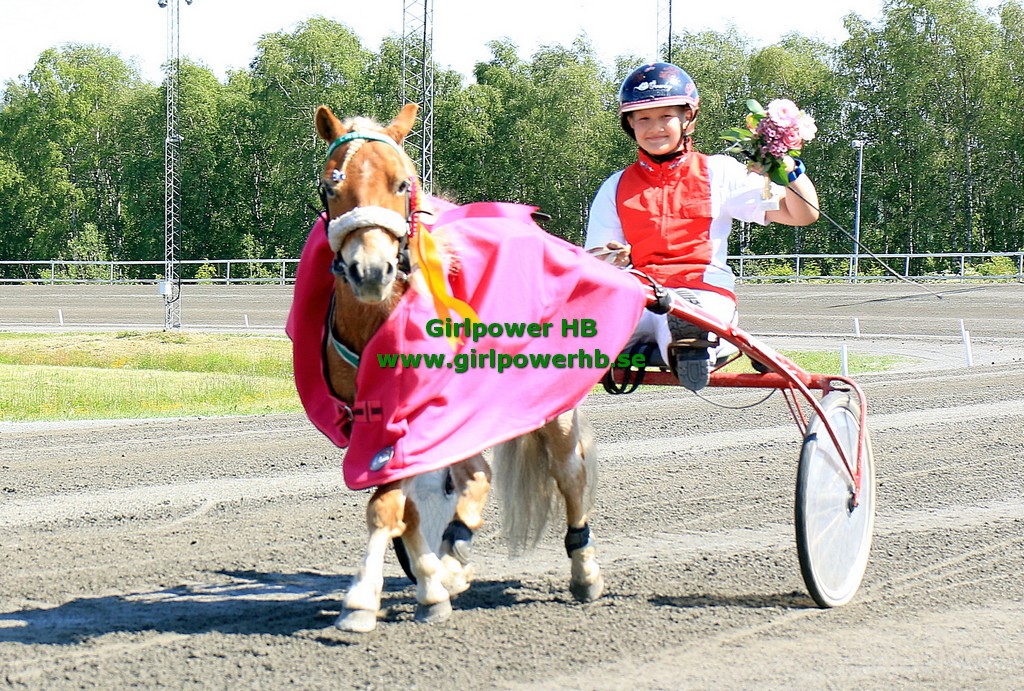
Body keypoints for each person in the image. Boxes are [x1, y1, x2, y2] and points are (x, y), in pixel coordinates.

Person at [585, 62, 820, 391]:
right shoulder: (615, 186)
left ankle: (691, 345)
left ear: (688, 118)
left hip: (701, 295)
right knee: (578, 334)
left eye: (665, 116)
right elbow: (595, 263)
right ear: (630, 124)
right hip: (639, 296)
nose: (655, 128)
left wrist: (788, 166)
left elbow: (802, 214)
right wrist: (611, 259)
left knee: (681, 325)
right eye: (643, 119)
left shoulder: (719, 172)